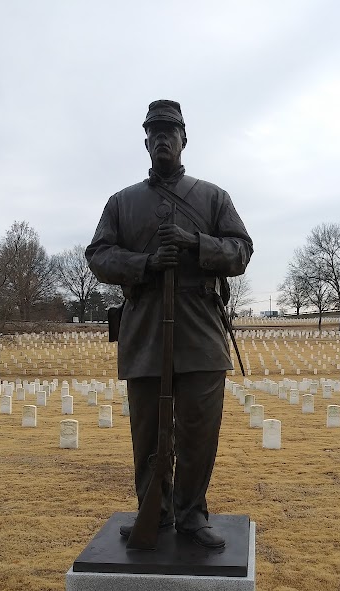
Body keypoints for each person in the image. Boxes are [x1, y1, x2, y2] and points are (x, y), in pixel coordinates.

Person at [86, 100, 252, 548]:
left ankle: (192, 514)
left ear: (183, 139)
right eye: (154, 132)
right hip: (144, 334)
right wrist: (145, 263)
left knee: (198, 432)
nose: (162, 138)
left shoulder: (213, 197)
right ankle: (153, 512)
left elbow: (241, 250)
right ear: (145, 141)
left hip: (199, 331)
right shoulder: (121, 203)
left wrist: (196, 244)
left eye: (170, 131)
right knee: (148, 434)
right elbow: (97, 255)